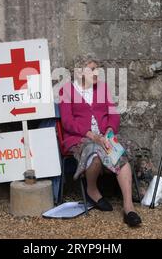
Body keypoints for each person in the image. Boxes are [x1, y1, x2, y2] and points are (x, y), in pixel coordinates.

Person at [58, 57, 142, 227]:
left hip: (104, 136)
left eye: (97, 69)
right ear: (80, 72)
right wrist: (90, 134)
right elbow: (67, 121)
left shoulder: (102, 88)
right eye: (92, 69)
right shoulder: (66, 91)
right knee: (95, 153)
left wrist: (110, 128)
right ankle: (91, 189)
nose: (97, 73)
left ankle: (129, 208)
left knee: (118, 152)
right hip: (79, 137)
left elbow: (113, 113)